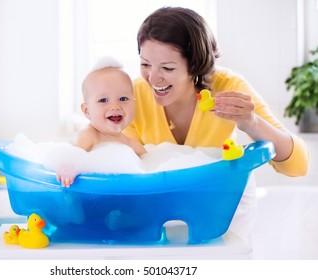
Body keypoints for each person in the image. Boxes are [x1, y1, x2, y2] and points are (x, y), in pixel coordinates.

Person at [123, 7, 310, 241]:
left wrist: (250, 122)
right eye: (145, 64)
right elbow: (119, 163)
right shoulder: (132, 95)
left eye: (167, 68)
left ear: (195, 65)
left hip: (218, 208)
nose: (153, 78)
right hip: (160, 209)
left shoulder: (226, 85)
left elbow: (297, 165)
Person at [56, 57, 146, 187]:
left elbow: (149, 162)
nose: (115, 106)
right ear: (87, 111)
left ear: (134, 103)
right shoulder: (89, 136)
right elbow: (69, 153)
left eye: (123, 98)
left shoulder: (129, 143)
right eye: (103, 100)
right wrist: (67, 167)